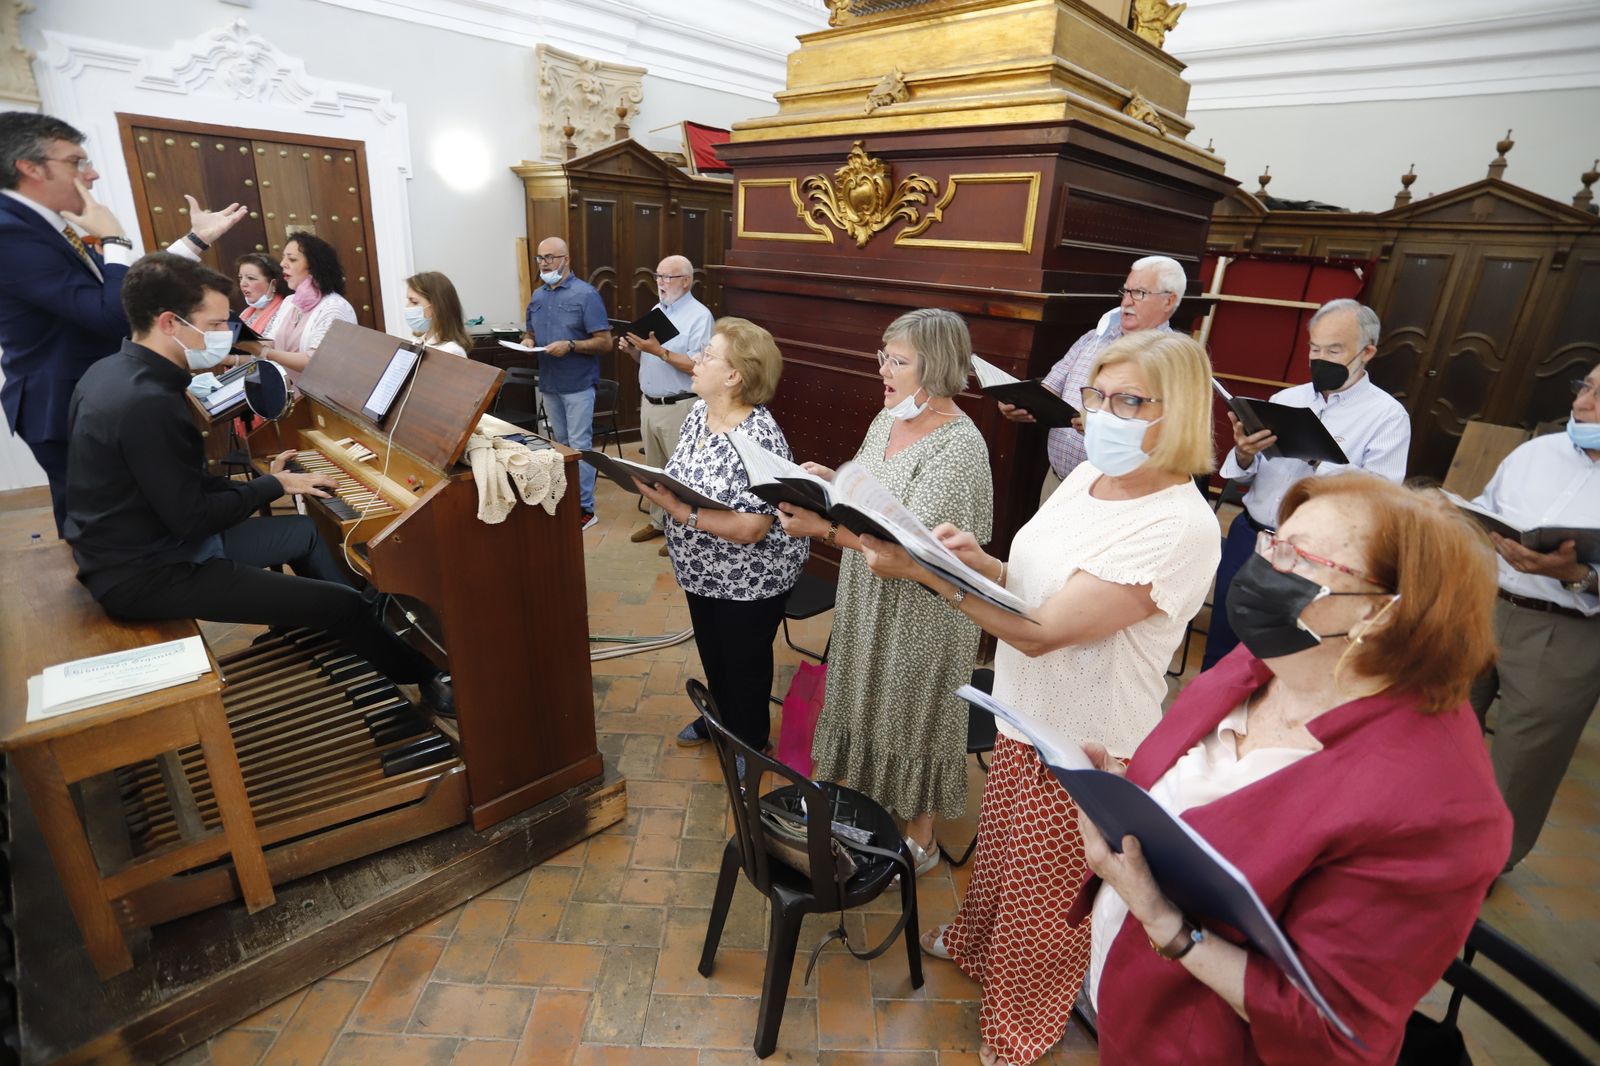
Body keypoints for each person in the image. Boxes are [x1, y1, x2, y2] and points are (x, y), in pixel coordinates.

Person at [862, 330, 1220, 1066]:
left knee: (1047, 904)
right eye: (1097, 396)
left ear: (1178, 410)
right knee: (1000, 860)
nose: (1104, 415)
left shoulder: (1177, 524)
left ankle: (1022, 1027)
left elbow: (1044, 631)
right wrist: (981, 564)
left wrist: (926, 573)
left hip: (1090, 740)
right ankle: (976, 947)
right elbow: (1039, 584)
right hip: (1025, 714)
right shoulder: (1090, 476)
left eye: (1129, 401)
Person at [1074, 473, 1510, 1065]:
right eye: (1274, 543)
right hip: (1129, 998)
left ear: (1381, 613)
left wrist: (1162, 920)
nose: (1266, 569)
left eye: (1299, 559)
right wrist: (1134, 795)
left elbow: (1334, 1032)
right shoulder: (1275, 658)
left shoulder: (1440, 809)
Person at [61, 252, 449, 705]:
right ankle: (424, 675)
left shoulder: (111, 371)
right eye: (214, 324)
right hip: (151, 572)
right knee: (340, 603)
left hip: (146, 543)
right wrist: (272, 485)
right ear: (169, 323)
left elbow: (181, 486)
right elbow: (192, 517)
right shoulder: (146, 402)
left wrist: (265, 484)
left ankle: (353, 632)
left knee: (303, 532)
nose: (225, 335)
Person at [775, 308, 992, 876]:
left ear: (935, 367)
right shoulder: (887, 418)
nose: (882, 371)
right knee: (861, 692)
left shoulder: (959, 446)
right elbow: (873, 496)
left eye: (897, 361)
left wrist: (822, 528)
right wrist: (829, 484)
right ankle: (861, 801)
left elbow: (914, 552)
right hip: (866, 590)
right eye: (883, 357)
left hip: (921, 608)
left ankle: (920, 836)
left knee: (912, 710)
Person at [0, 111, 246, 532]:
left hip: (84, 388)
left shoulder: (41, 226)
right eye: (76, 162)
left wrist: (196, 240)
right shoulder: (10, 231)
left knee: (125, 511)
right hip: (61, 400)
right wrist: (114, 239)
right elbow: (110, 313)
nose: (91, 174)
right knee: (100, 526)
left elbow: (126, 290)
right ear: (30, 168)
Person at [1202, 298, 1410, 670]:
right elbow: (1252, 475)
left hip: (1312, 555)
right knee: (1221, 644)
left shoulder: (1387, 417)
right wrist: (1245, 453)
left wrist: (1318, 458)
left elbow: (1382, 499)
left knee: (1275, 661)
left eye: (1334, 350)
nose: (1320, 358)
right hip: (1250, 537)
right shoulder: (1287, 399)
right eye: (1314, 349)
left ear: (1367, 352)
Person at [634, 318, 808, 752]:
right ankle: (720, 719)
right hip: (701, 569)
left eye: (708, 355)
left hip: (749, 578)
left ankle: (750, 743)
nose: (696, 360)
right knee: (714, 653)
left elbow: (752, 526)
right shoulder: (699, 413)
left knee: (744, 664)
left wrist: (681, 512)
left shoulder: (759, 436)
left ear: (734, 376)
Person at [1468, 364, 1600, 873]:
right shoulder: (1535, 453)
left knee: (1522, 767)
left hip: (1565, 634)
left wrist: (1579, 574)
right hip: (1486, 606)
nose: (1582, 403)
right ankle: (1420, 834)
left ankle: (1485, 865)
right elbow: (1485, 507)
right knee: (1438, 729)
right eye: (1584, 387)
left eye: (1599, 397)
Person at [1000, 255, 1184, 504]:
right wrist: (1022, 402)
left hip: (1114, 497)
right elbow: (1051, 387)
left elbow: (1175, 440)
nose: (1126, 301)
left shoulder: (1175, 360)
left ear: (1168, 301)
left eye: (1139, 293)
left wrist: (1102, 425)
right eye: (1126, 291)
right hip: (1057, 482)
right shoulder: (1093, 338)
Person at [619, 255, 715, 552]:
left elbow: (697, 366)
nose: (660, 283)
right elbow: (648, 359)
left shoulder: (700, 316)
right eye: (658, 276)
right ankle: (659, 521)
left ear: (686, 281)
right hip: (650, 404)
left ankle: (683, 532)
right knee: (654, 469)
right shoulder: (657, 310)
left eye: (667, 277)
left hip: (680, 406)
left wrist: (658, 351)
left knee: (680, 474)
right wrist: (633, 351)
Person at [520, 236, 613, 531]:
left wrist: (571, 345)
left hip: (578, 384)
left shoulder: (586, 295)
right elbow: (531, 332)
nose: (544, 263)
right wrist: (528, 340)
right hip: (550, 383)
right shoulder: (538, 296)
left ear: (566, 259)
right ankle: (566, 499)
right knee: (560, 447)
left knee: (580, 447)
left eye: (550, 257)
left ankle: (585, 508)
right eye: (540, 258)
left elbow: (605, 342)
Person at [254, 232, 357, 377]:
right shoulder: (290, 301)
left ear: (314, 266)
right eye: (283, 257)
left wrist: (265, 352)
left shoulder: (335, 307)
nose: (282, 263)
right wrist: (242, 343)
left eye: (292, 259)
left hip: (318, 390)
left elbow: (316, 362)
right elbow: (271, 340)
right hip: (286, 388)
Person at [403, 271, 471, 357]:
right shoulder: (416, 341)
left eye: (414, 302)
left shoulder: (452, 351)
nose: (407, 306)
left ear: (436, 307)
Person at [236, 252, 290, 339]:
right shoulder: (245, 313)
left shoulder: (286, 310)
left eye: (251, 278)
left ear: (273, 283)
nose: (242, 284)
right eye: (240, 277)